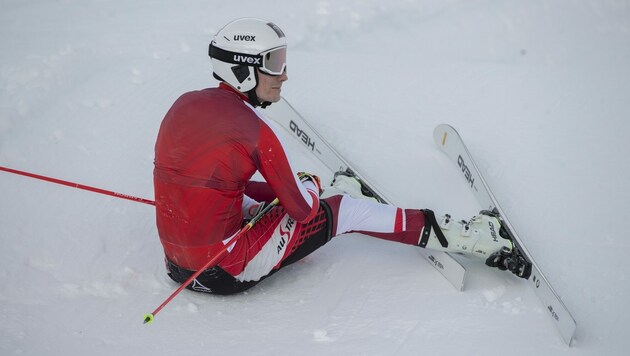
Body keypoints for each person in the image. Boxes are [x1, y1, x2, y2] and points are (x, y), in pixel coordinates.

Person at [153, 18, 523, 295]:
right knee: (343, 209)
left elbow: (214, 182)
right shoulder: (255, 131)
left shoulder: (182, 105)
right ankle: (469, 237)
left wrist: (282, 193)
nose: (284, 75)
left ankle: (334, 193)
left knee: (251, 199)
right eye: (274, 63)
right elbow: (303, 210)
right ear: (242, 69)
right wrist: (311, 186)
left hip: (180, 269)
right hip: (227, 272)